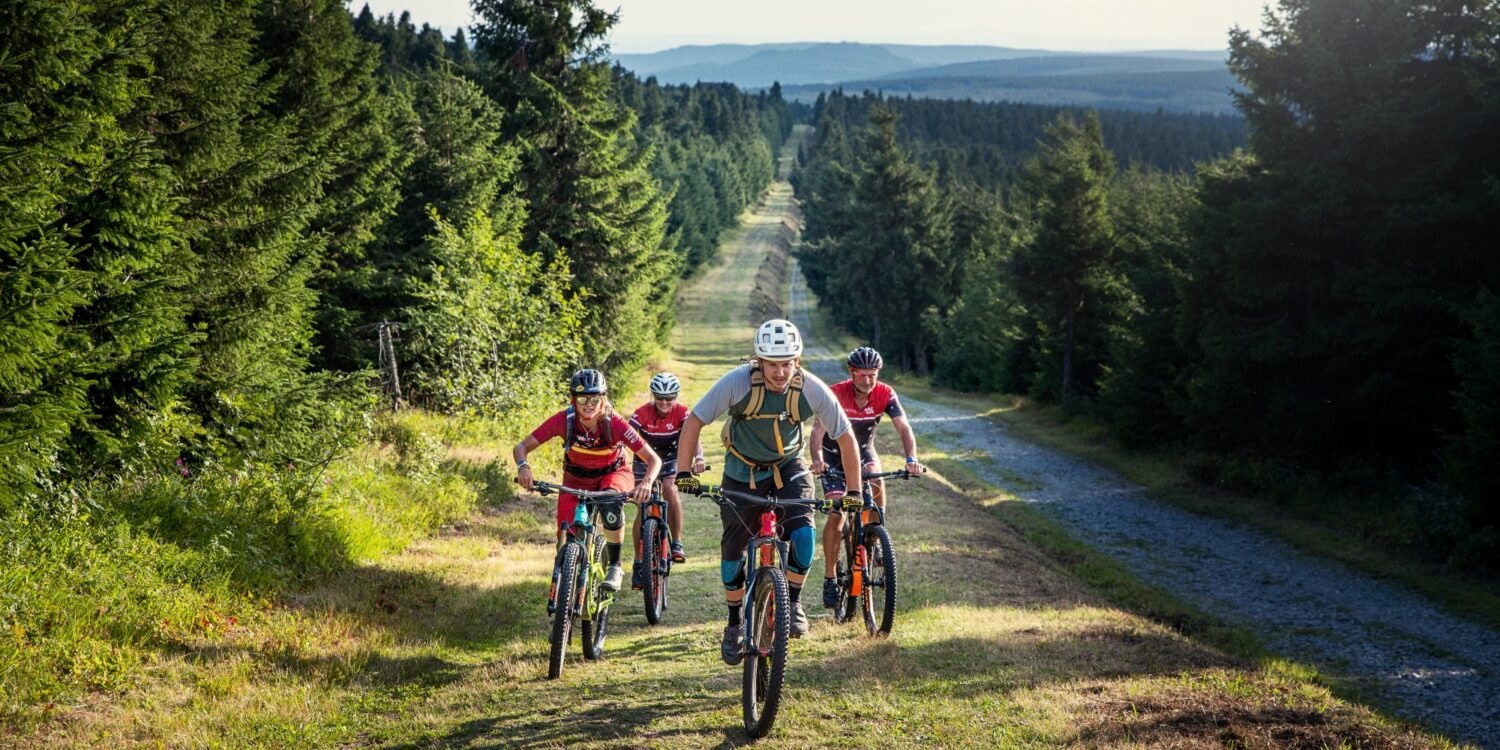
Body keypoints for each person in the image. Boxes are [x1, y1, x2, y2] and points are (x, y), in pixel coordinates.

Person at [675, 319, 864, 665]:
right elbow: (695, 420)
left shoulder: (810, 388)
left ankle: (791, 600)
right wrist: (684, 472)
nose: (779, 372)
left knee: (803, 533)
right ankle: (734, 623)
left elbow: (845, 435)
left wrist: (854, 490)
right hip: (741, 470)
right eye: (772, 364)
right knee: (733, 546)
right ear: (758, 361)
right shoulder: (738, 382)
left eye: (787, 363)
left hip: (788, 467)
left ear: (797, 361)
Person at [514, 369, 660, 593]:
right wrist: (524, 467)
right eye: (582, 399)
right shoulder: (565, 420)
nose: (588, 404)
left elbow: (653, 459)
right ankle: (566, 587)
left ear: (603, 399)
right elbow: (521, 447)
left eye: (595, 399)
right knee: (567, 534)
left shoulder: (615, 423)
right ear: (574, 399)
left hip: (613, 474)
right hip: (575, 479)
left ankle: (614, 565)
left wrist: (647, 482)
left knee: (610, 502)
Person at [809, 346, 925, 610]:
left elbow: (904, 426)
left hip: (863, 451)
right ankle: (829, 576)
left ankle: (874, 538)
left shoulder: (885, 393)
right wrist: (817, 459)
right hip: (833, 456)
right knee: (838, 512)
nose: (867, 380)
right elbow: (817, 432)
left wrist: (911, 459)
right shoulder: (836, 393)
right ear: (852, 373)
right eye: (861, 375)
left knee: (877, 482)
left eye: (871, 375)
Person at [627, 372, 705, 589]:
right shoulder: (641, 413)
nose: (664, 402)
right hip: (644, 460)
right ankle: (638, 559)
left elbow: (693, 437)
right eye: (659, 398)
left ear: (675, 396)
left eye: (669, 398)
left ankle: (677, 542)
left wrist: (698, 458)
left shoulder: (682, 413)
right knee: (642, 503)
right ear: (653, 396)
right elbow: (626, 437)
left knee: (671, 488)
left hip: (671, 458)